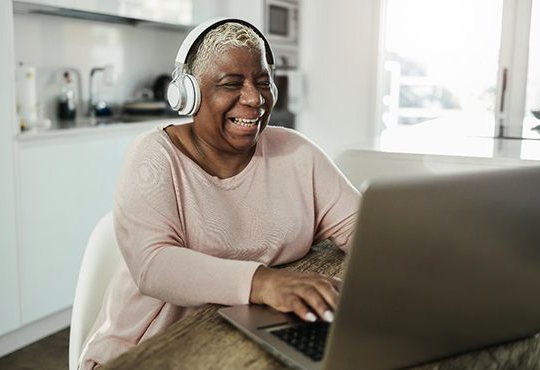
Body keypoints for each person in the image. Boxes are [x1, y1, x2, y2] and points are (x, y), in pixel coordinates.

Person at [79, 19, 360, 369]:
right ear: (188, 95)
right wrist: (263, 282)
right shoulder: (155, 156)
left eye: (262, 83)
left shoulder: (296, 152)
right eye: (232, 84)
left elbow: (364, 231)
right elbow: (154, 265)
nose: (254, 98)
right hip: (150, 349)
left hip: (250, 336)